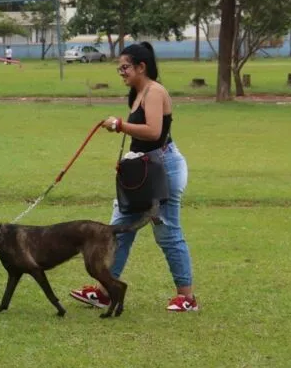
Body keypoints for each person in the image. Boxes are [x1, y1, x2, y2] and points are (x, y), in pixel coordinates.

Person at [70, 42, 197, 312]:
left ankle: (187, 297)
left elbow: (153, 131)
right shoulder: (138, 92)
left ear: (142, 67)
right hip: (144, 170)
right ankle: (105, 292)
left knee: (167, 233)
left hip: (162, 170)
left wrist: (119, 125)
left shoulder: (154, 91)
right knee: (117, 232)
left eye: (125, 67)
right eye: (119, 68)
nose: (121, 72)